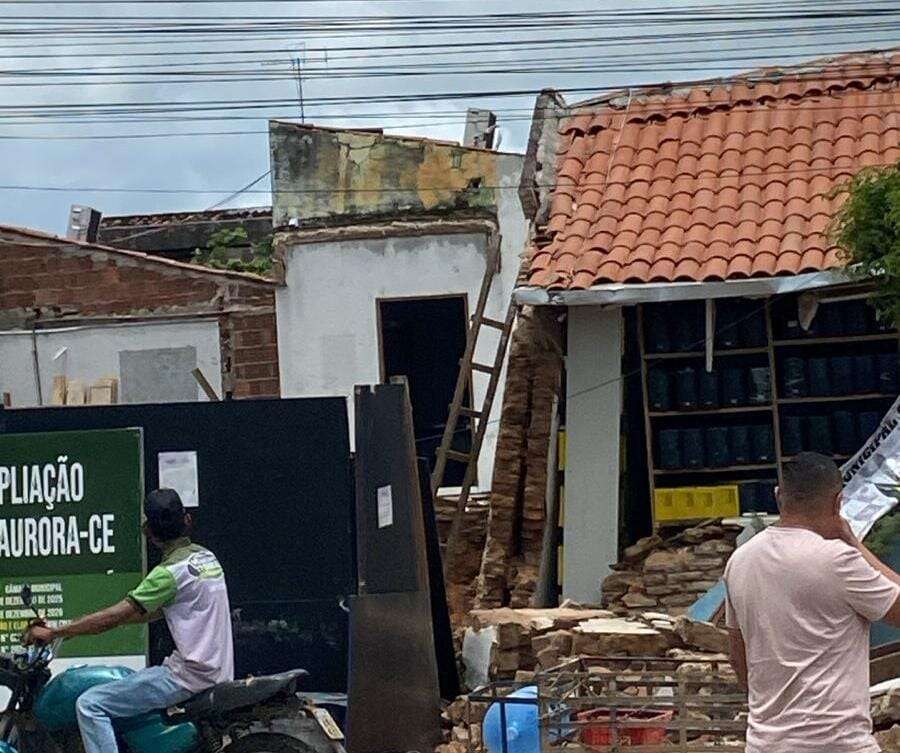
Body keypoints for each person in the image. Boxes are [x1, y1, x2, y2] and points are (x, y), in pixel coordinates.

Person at [26, 489, 234, 753]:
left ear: (148, 530)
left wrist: (57, 632)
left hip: (189, 676)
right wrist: (102, 623)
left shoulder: (168, 574)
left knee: (90, 704)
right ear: (188, 520)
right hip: (217, 671)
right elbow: (168, 611)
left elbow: (116, 616)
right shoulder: (207, 559)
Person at [725, 451, 900, 753]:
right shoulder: (838, 560)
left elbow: (739, 659)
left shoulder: (740, 561)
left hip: (766, 744)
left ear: (779, 496)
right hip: (837, 744)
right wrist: (855, 543)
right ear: (838, 503)